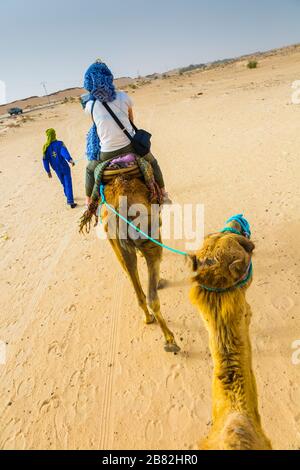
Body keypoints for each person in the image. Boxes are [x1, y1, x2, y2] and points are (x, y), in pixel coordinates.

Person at [83, 60, 170, 205]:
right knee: (152, 162)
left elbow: (96, 125)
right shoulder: (123, 96)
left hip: (106, 154)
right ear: (108, 77)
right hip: (130, 147)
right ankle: (163, 193)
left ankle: (88, 203)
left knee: (89, 170)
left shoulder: (90, 106)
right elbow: (131, 119)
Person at [42, 128, 77, 208]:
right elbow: (64, 152)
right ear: (54, 134)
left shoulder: (45, 148)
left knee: (63, 183)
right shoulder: (60, 143)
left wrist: (48, 171)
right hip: (64, 166)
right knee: (68, 182)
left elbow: (45, 160)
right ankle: (70, 201)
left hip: (56, 169)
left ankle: (68, 196)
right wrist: (70, 160)